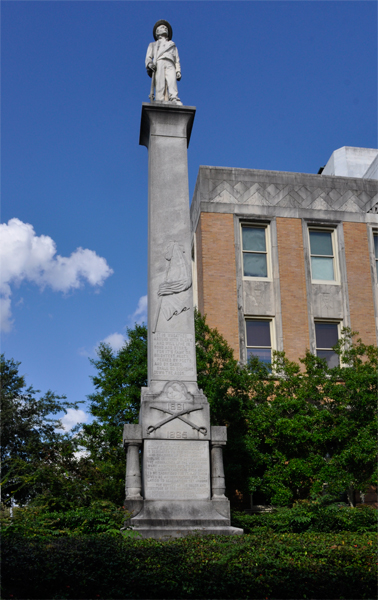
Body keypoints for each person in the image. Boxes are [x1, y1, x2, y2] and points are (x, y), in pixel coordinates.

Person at [145, 20, 182, 105]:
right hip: (159, 63)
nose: (165, 28)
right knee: (160, 82)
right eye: (162, 27)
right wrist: (150, 64)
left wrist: (178, 71)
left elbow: (177, 60)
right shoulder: (153, 44)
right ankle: (160, 99)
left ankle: (174, 98)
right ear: (157, 32)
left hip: (170, 63)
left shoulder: (172, 44)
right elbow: (148, 57)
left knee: (172, 81)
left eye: (166, 28)